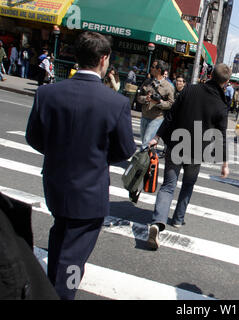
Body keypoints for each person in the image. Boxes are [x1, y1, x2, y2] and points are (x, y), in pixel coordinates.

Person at [25, 31, 136, 300]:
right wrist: (95, 157)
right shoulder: (116, 102)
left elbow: (34, 137)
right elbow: (125, 149)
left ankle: (52, 288)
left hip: (55, 183)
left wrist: (62, 153)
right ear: (103, 59)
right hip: (89, 191)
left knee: (61, 241)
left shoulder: (48, 93)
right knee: (73, 260)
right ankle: (62, 294)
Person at [146, 63, 231, 250]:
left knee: (168, 185)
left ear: (210, 75)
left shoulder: (189, 90)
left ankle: (158, 221)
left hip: (175, 145)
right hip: (197, 152)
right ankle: (178, 219)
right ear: (226, 82)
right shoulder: (220, 104)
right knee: (188, 185)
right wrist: (224, 162)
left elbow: (170, 116)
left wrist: (157, 137)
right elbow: (221, 135)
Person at [137, 60, 174, 151]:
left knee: (146, 143)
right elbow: (138, 97)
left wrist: (159, 102)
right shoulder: (147, 82)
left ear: (159, 70)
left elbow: (171, 104)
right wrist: (146, 98)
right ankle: (151, 162)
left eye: (153, 67)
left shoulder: (168, 86)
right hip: (145, 115)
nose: (151, 68)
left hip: (157, 118)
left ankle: (141, 164)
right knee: (145, 142)